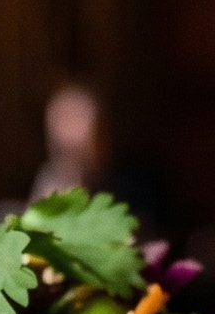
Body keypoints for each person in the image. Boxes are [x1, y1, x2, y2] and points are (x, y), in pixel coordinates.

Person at [25, 82, 168, 237]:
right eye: (60, 120)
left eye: (76, 118)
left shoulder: (134, 182)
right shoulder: (49, 178)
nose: (66, 134)